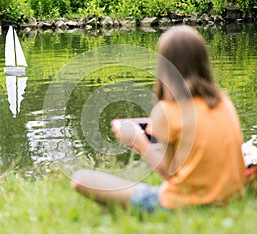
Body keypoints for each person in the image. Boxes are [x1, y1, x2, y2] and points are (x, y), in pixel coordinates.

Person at [71, 25, 246, 212]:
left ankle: (120, 209)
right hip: (230, 198)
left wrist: (138, 139)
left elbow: (168, 173)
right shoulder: (223, 102)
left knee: (81, 179)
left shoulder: (167, 111)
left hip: (184, 204)